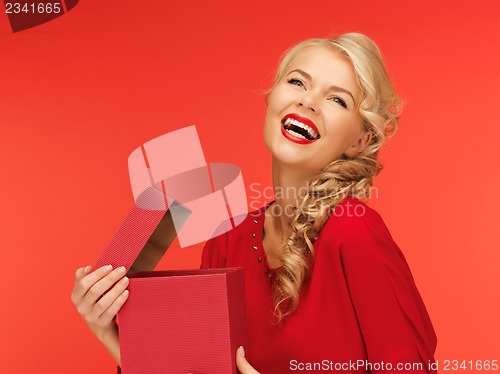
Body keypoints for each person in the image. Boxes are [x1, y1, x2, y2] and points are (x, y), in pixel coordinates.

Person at [72, 32, 437, 373]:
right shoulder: (227, 240)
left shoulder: (353, 233)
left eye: (337, 99)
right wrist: (107, 331)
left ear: (359, 140)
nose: (308, 101)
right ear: (271, 99)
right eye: (297, 82)